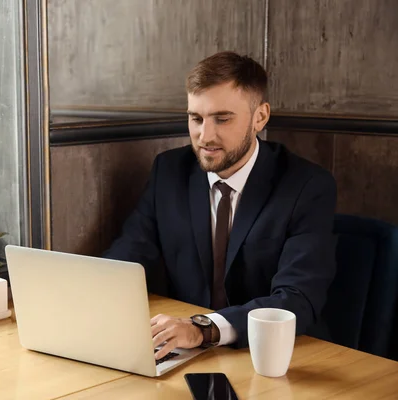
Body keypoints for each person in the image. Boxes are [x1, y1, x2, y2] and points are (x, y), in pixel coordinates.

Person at [103, 51, 337, 360]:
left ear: (260, 117)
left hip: (278, 356)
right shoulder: (170, 171)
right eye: (196, 119)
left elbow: (297, 299)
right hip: (187, 351)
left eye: (222, 119)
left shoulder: (307, 186)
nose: (205, 136)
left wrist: (204, 329)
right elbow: (128, 259)